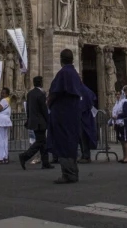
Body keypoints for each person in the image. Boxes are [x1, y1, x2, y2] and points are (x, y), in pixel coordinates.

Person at [47, 48, 85, 184]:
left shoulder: (63, 73)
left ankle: (68, 174)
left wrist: (49, 101)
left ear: (61, 59)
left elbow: (55, 92)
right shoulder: (75, 74)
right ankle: (73, 172)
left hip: (62, 115)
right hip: (73, 115)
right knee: (71, 143)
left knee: (63, 143)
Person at [18, 75, 51, 170]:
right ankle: (24, 156)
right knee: (40, 141)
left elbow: (28, 109)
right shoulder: (41, 94)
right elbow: (43, 109)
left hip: (33, 121)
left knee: (43, 142)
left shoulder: (30, 94)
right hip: (40, 122)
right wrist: (48, 120)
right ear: (40, 83)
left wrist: (28, 119)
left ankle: (45, 163)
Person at [77, 82, 97, 163]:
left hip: (84, 118)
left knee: (84, 136)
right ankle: (84, 155)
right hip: (81, 117)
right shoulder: (80, 89)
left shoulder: (83, 90)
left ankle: (86, 155)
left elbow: (89, 101)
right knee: (81, 137)